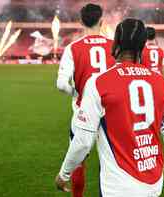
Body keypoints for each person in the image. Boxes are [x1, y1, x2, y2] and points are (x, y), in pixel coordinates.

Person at [55, 18, 164, 197]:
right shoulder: (163, 83)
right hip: (153, 182)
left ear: (115, 43)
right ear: (143, 46)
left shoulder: (98, 83)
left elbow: (83, 141)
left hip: (118, 186)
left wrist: (64, 174)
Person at [56, 3, 116, 197]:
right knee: (110, 163)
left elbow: (61, 84)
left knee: (79, 160)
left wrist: (76, 93)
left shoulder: (72, 48)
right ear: (102, 21)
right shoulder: (115, 46)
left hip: (84, 112)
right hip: (111, 112)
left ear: (81, 22)